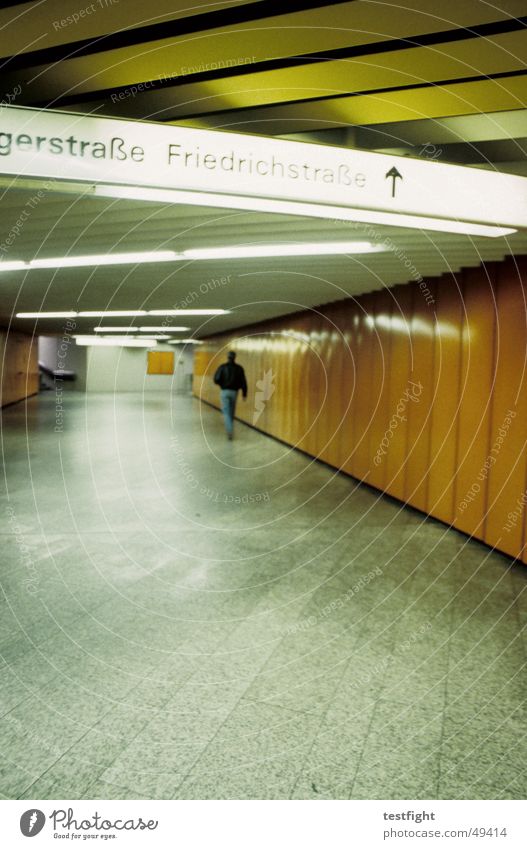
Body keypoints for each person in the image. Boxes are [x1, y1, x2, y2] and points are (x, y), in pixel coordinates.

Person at [213, 350, 247, 440]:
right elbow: (243, 382)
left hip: (224, 391)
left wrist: (222, 384)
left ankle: (230, 431)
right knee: (231, 412)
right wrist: (244, 394)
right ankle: (230, 428)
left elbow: (216, 379)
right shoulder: (239, 368)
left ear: (228, 357)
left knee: (226, 412)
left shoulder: (222, 367)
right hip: (234, 392)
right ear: (235, 357)